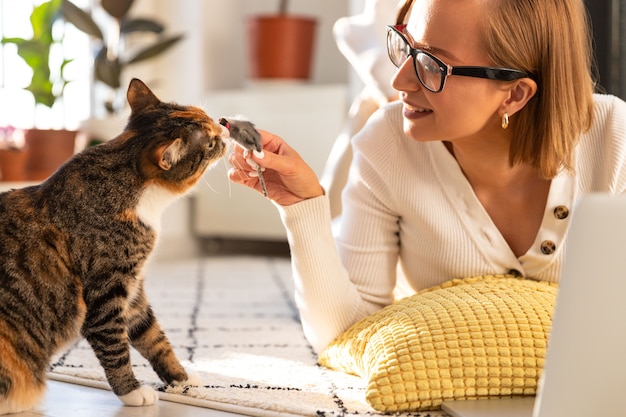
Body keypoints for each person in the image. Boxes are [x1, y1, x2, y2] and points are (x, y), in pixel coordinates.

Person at [228, 0, 626, 353]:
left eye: (432, 65)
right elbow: (345, 333)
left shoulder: (614, 141)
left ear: (515, 94)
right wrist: (302, 207)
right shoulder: (386, 141)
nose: (399, 81)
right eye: (406, 47)